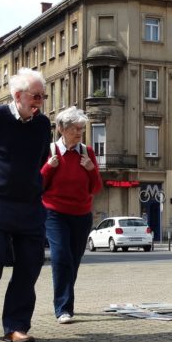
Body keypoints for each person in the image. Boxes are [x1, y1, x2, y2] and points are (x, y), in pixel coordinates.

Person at [0, 68, 52, 342]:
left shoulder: (42, 125)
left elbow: (41, 159)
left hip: (29, 205)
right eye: (35, 95)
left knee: (30, 264)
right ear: (18, 96)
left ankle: (16, 325)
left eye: (43, 96)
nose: (39, 101)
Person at [41, 107, 102, 324]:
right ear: (61, 129)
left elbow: (96, 187)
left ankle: (64, 297)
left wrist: (90, 169)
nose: (79, 133)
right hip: (54, 212)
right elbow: (39, 185)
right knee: (61, 257)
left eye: (81, 129)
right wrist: (48, 167)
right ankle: (64, 308)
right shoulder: (50, 151)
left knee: (74, 260)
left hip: (81, 214)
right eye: (75, 129)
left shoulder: (87, 153)